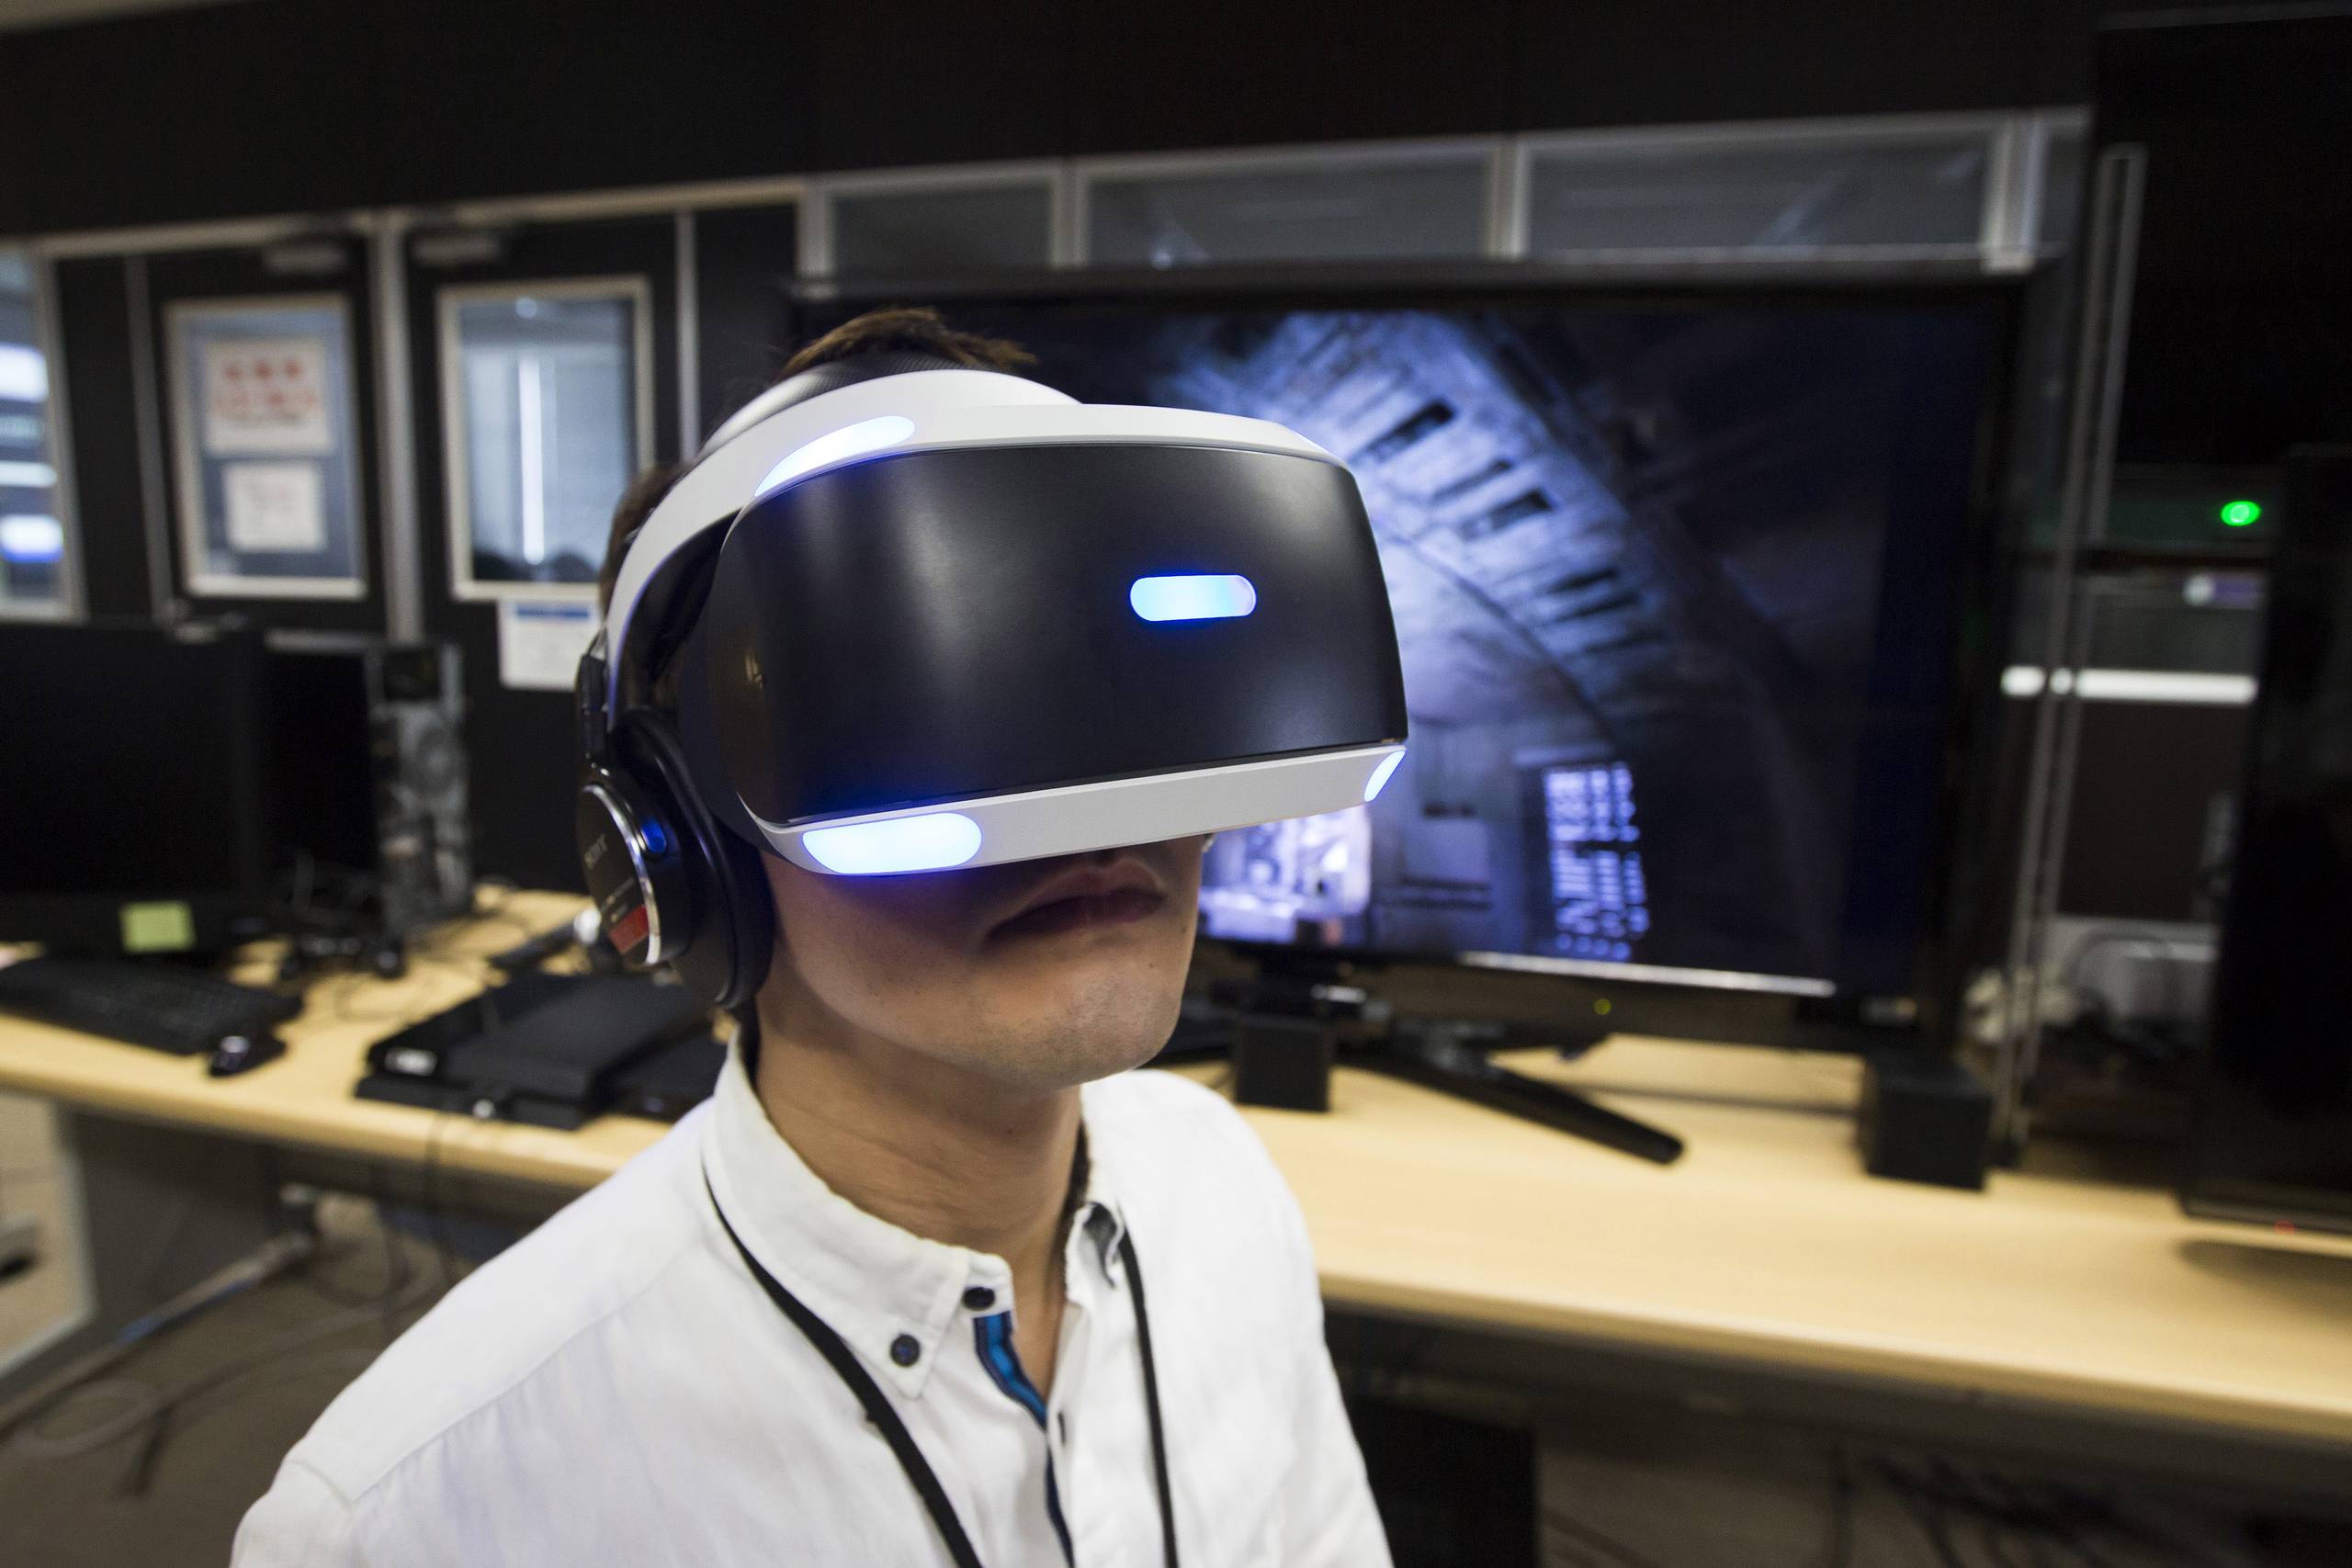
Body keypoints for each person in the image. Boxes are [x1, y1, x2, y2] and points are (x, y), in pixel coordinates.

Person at [234, 309, 1391, 1566]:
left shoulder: (1221, 1191)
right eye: (936, 708)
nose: (1091, 825)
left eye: (1130, 703)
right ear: (675, 836)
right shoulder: (408, 1515)